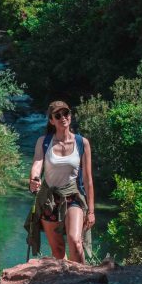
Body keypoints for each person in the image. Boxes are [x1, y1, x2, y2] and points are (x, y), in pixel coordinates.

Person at [25, 101, 95, 262]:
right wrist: (34, 179)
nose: (63, 117)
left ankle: (82, 280)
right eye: (58, 115)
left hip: (73, 197)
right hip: (49, 199)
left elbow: (88, 179)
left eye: (66, 113)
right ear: (51, 120)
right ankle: (65, 283)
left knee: (75, 241)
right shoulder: (44, 142)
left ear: (70, 116)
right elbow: (37, 164)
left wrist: (91, 211)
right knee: (58, 251)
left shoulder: (82, 143)